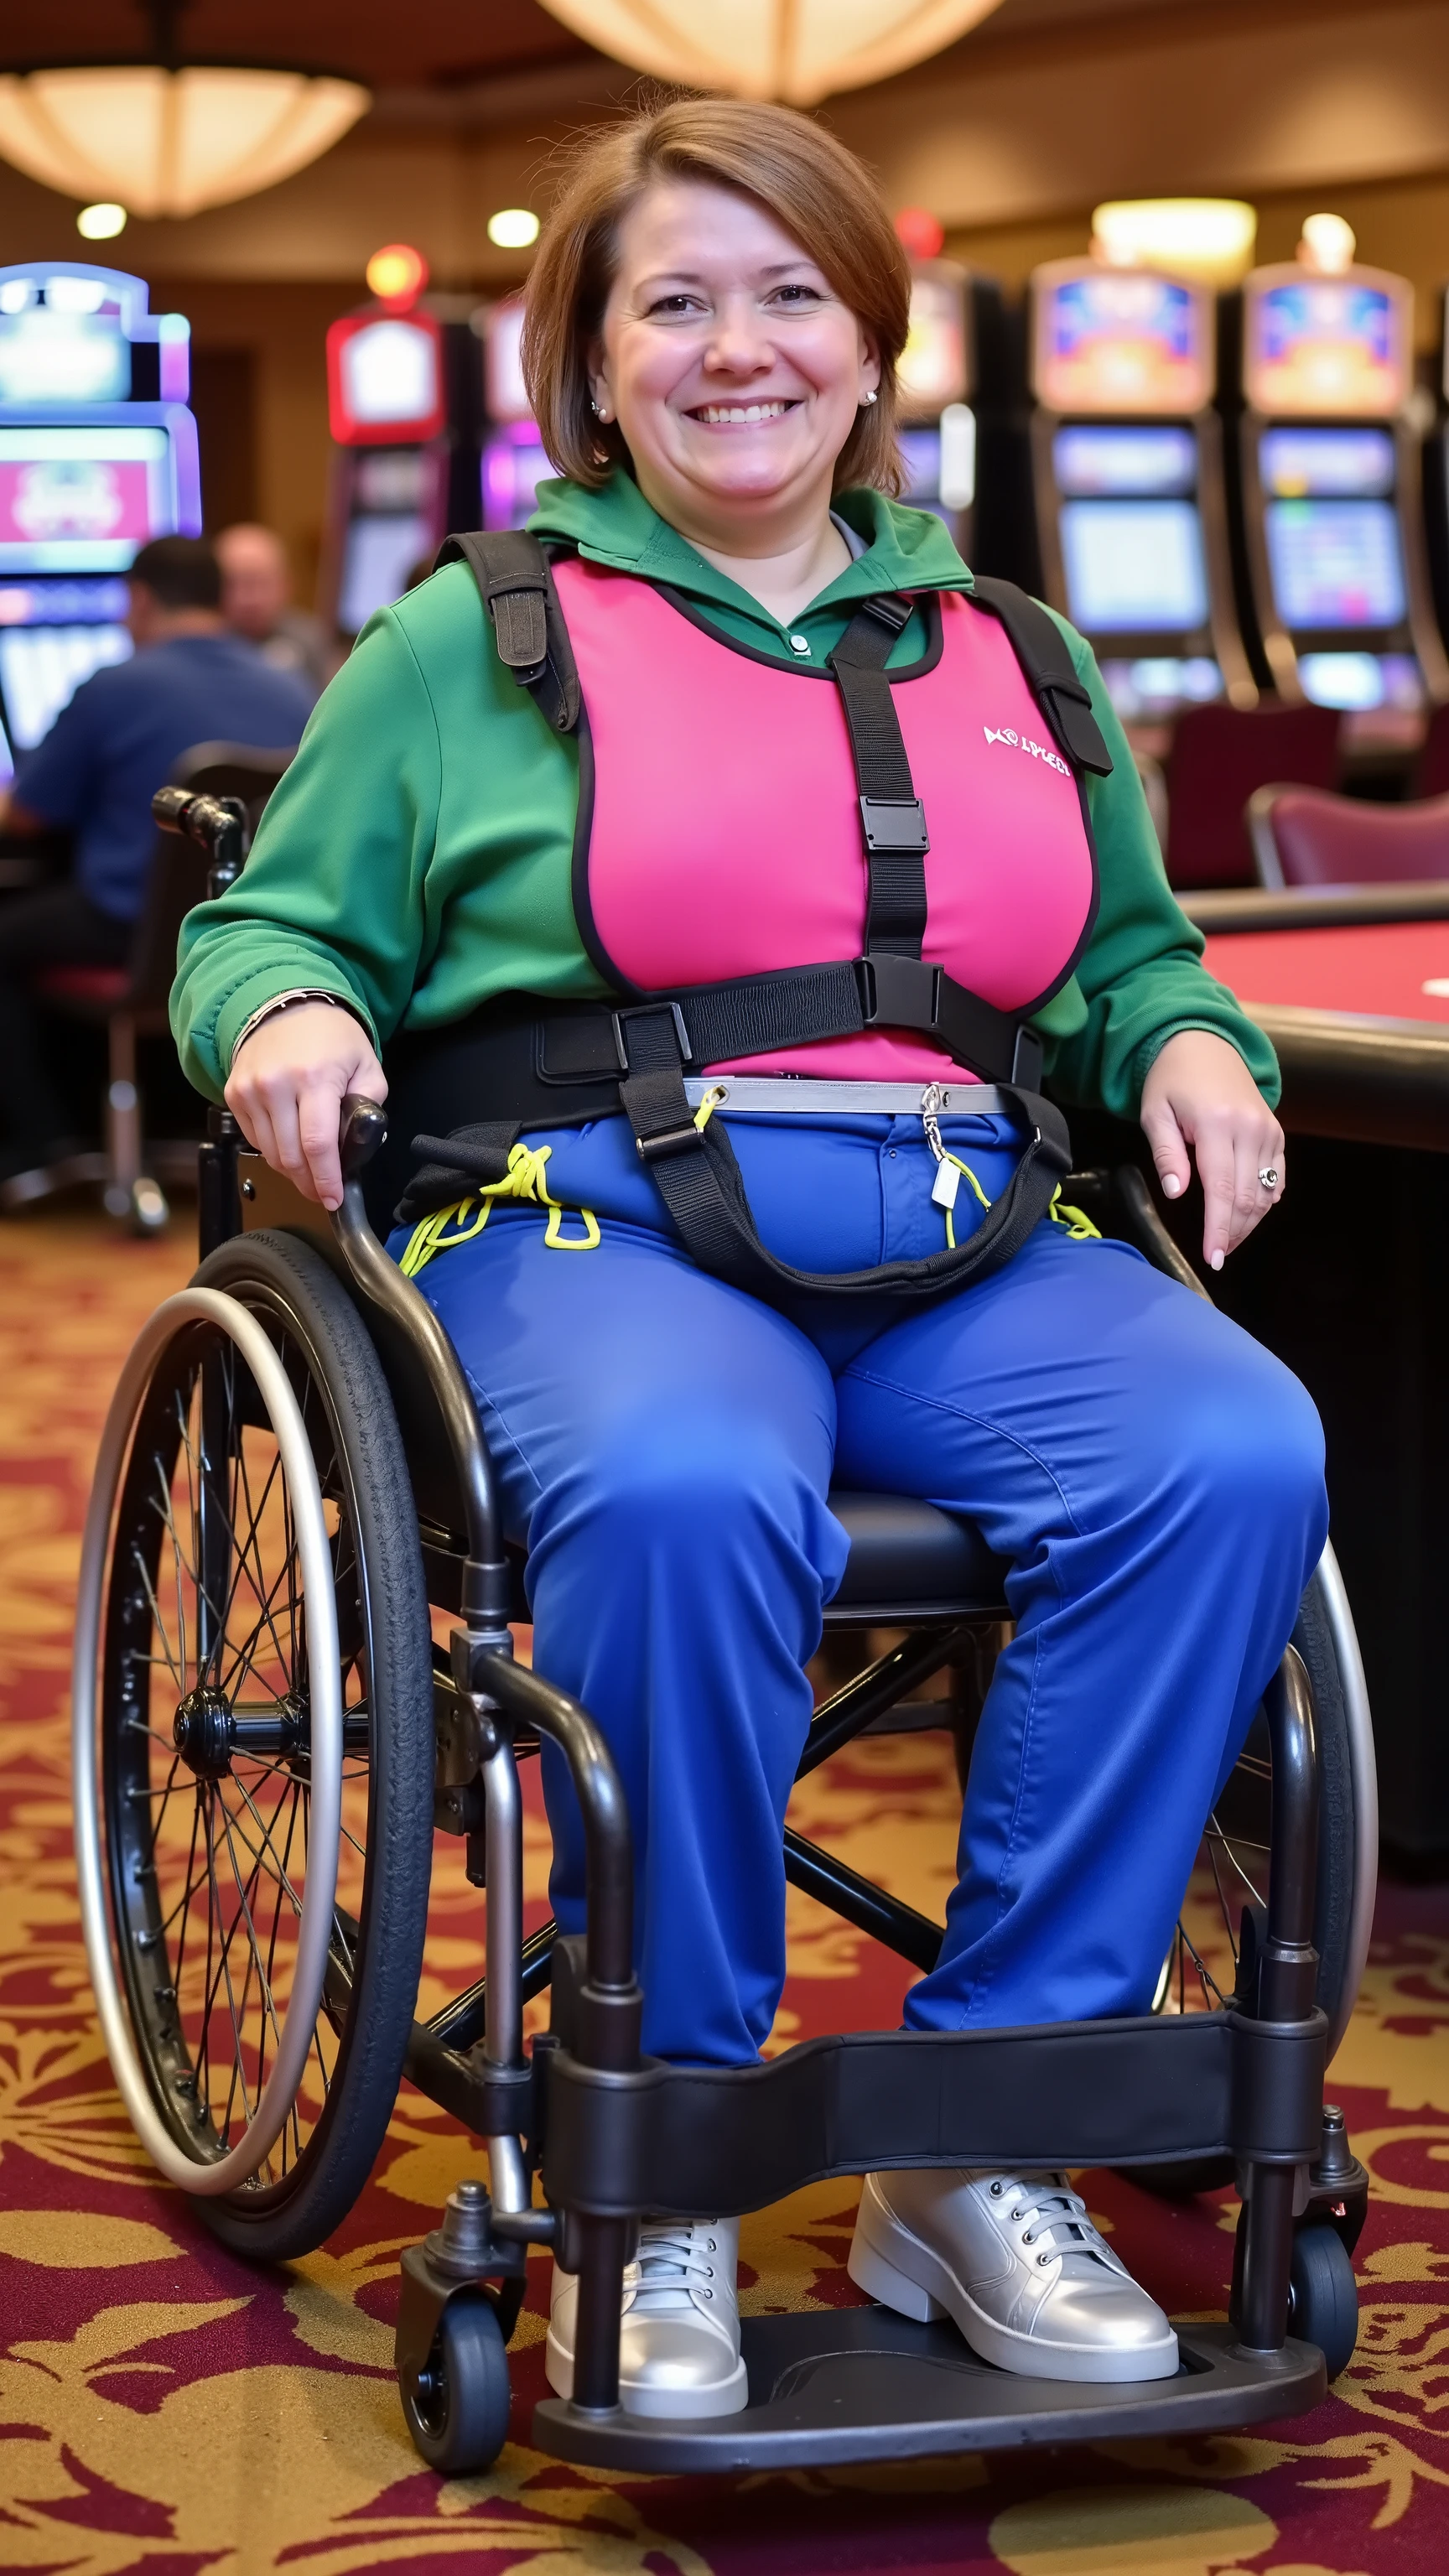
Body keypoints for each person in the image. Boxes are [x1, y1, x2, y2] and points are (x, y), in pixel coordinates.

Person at [172, 101, 1327, 2418]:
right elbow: (264, 922)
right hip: (583, 1226)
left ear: (871, 350)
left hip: (961, 1238)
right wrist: (291, 1003)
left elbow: (1128, 952)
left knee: (1232, 1443)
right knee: (698, 1491)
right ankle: (664, 2159)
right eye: (674, 303)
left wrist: (1192, 1046)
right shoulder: (467, 638)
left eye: (790, 294)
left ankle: (987, 2144)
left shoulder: (1012, 646)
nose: (740, 348)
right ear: (593, 370)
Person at [0, 533, 314, 1182]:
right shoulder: (292, 688)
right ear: (221, 599)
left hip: (129, 930)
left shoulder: (115, 685)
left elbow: (28, 815)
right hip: (252, 930)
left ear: (139, 600)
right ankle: (163, 1123)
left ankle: (42, 1142)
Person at [216, 522, 335, 697]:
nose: (249, 599)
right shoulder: (201, 648)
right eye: (235, 584)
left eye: (261, 583)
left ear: (286, 585)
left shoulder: (315, 640)